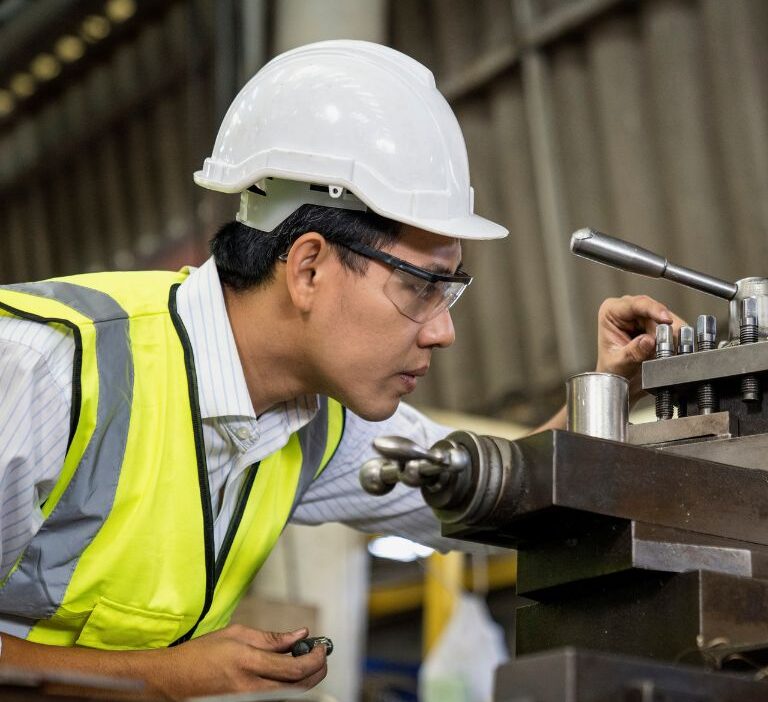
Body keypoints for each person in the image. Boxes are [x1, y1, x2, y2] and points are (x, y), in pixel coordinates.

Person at [0, 40, 679, 698]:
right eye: (421, 287)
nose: (443, 332)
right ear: (309, 267)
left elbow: (498, 499)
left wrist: (609, 391)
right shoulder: (49, 369)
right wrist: (171, 676)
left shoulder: (316, 425)